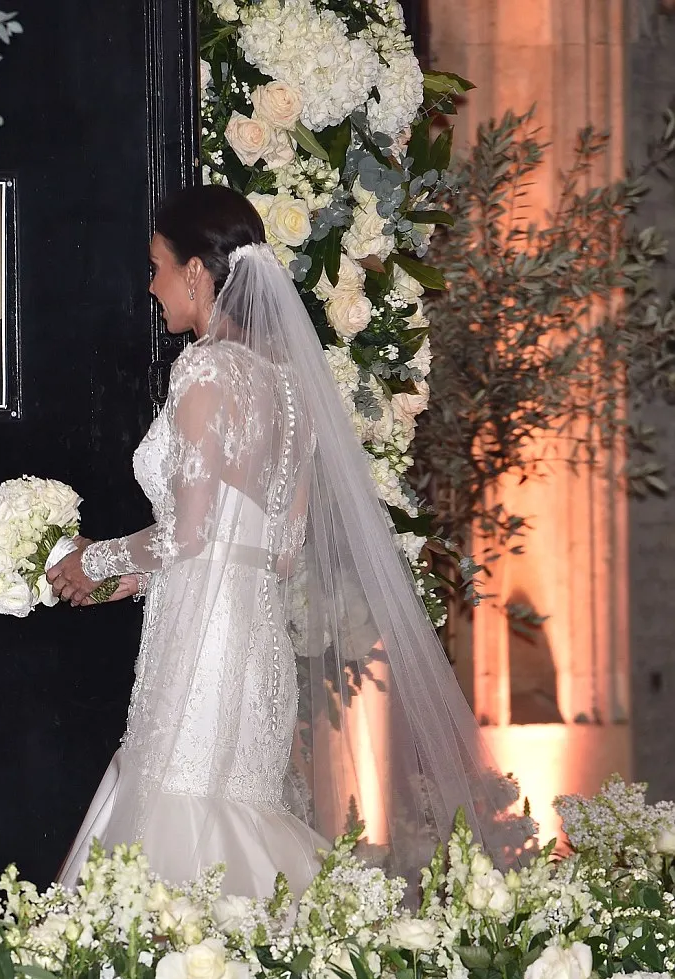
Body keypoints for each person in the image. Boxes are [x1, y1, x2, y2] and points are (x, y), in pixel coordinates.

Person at [48, 185, 526, 899]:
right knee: (240, 816)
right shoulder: (290, 393)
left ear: (197, 273)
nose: (150, 287)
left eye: (156, 267)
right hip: (256, 638)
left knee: (178, 816)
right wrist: (131, 578)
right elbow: (272, 549)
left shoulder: (205, 369)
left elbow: (190, 530)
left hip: (202, 643)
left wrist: (95, 558)